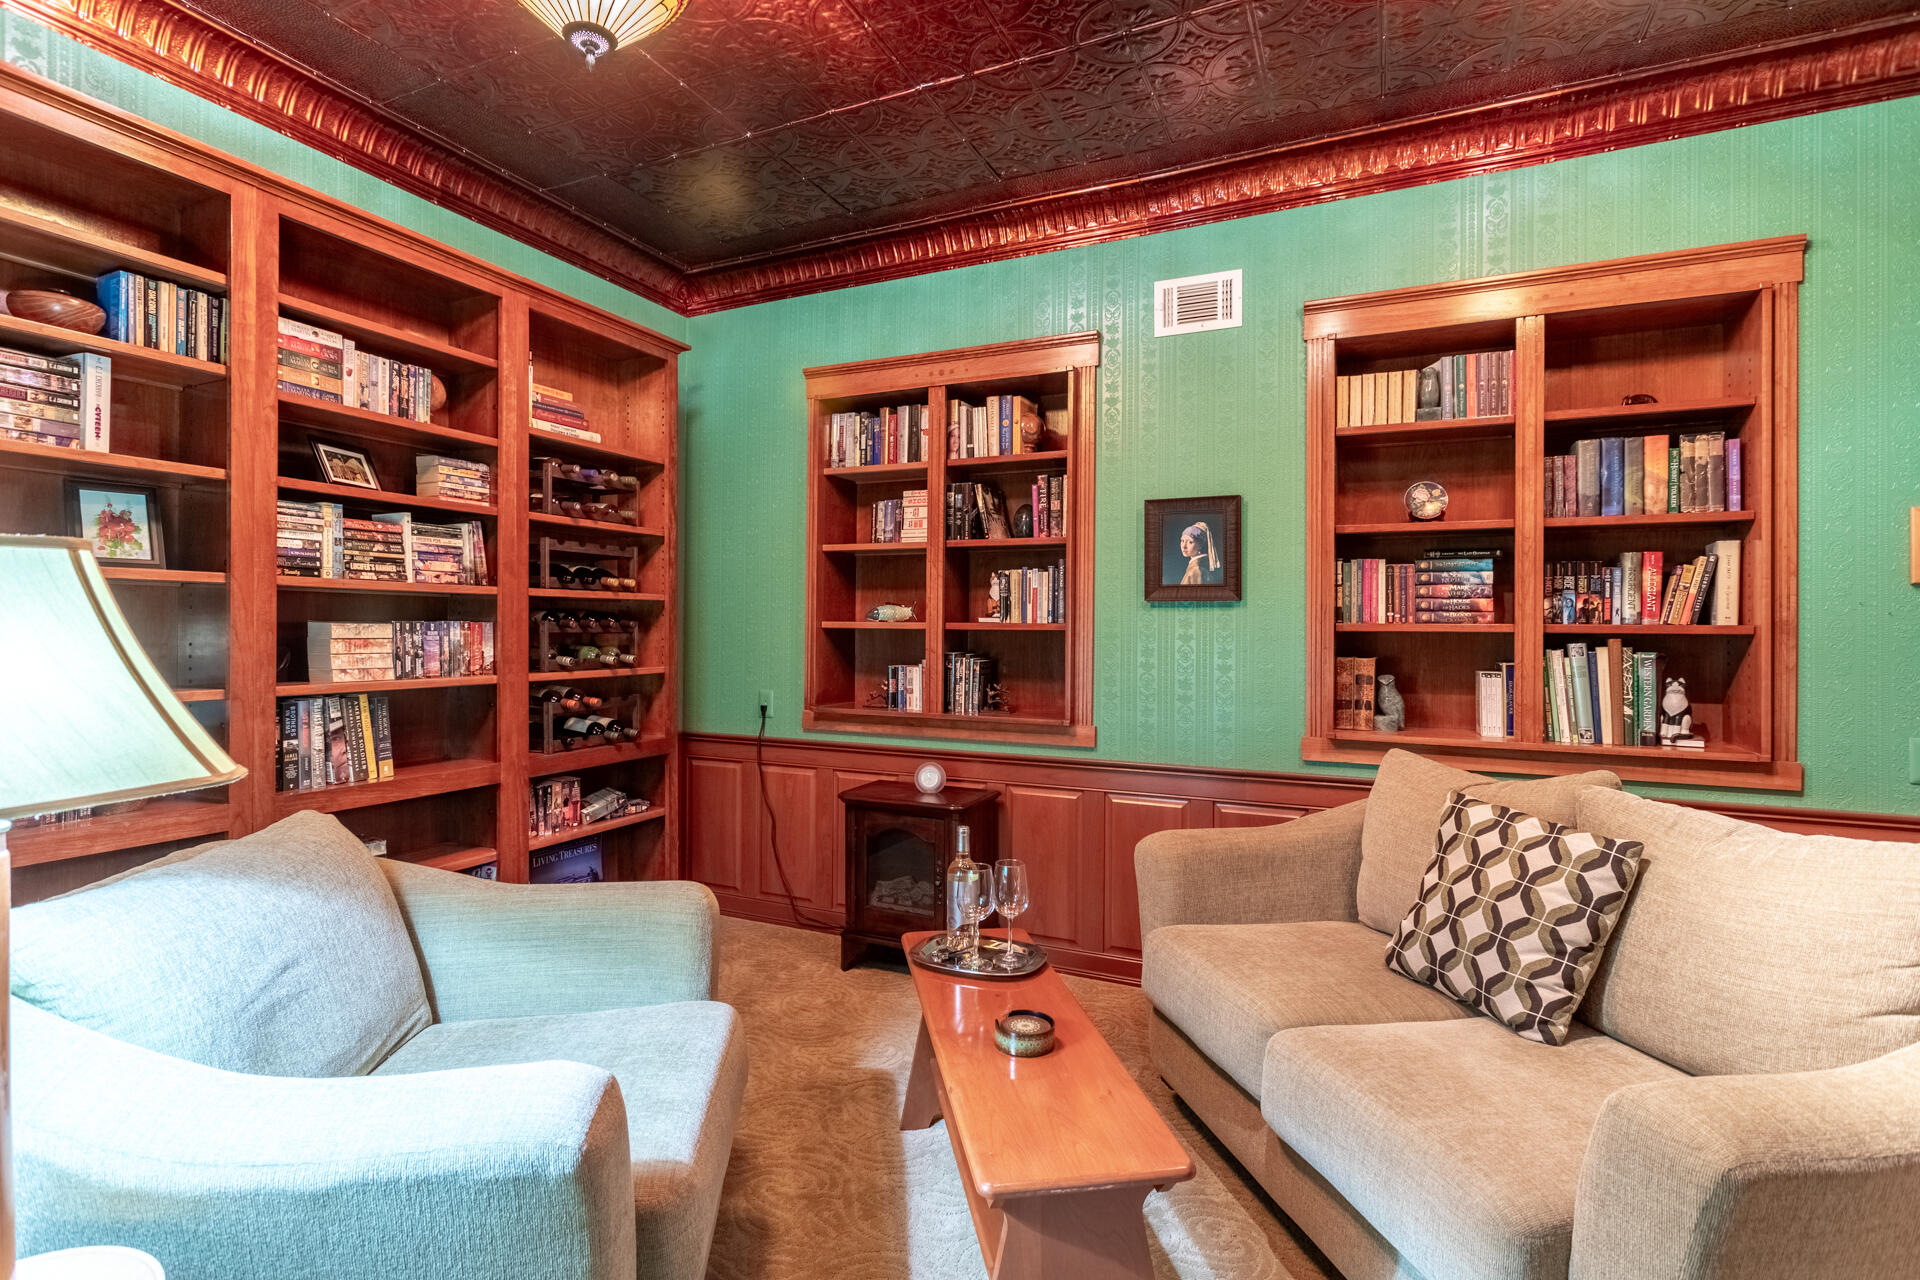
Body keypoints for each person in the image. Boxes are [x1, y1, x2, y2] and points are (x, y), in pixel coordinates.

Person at [1178, 521, 1220, 585]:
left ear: (1200, 545)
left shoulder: (1196, 570)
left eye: (1190, 542)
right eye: (1182, 541)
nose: (1184, 546)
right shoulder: (1195, 568)